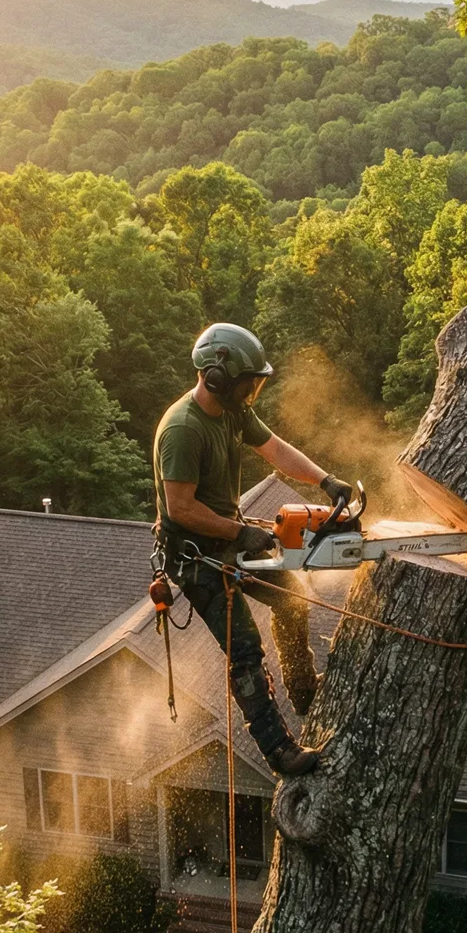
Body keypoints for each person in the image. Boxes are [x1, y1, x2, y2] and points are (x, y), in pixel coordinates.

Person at [153, 323, 352, 776]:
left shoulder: (232, 412)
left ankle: (302, 688)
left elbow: (275, 449)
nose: (251, 392)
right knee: (245, 648)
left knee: (290, 593)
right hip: (196, 556)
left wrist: (325, 480)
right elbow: (181, 508)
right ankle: (278, 749)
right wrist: (238, 533)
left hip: (227, 537)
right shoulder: (183, 430)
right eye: (247, 383)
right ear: (216, 375)